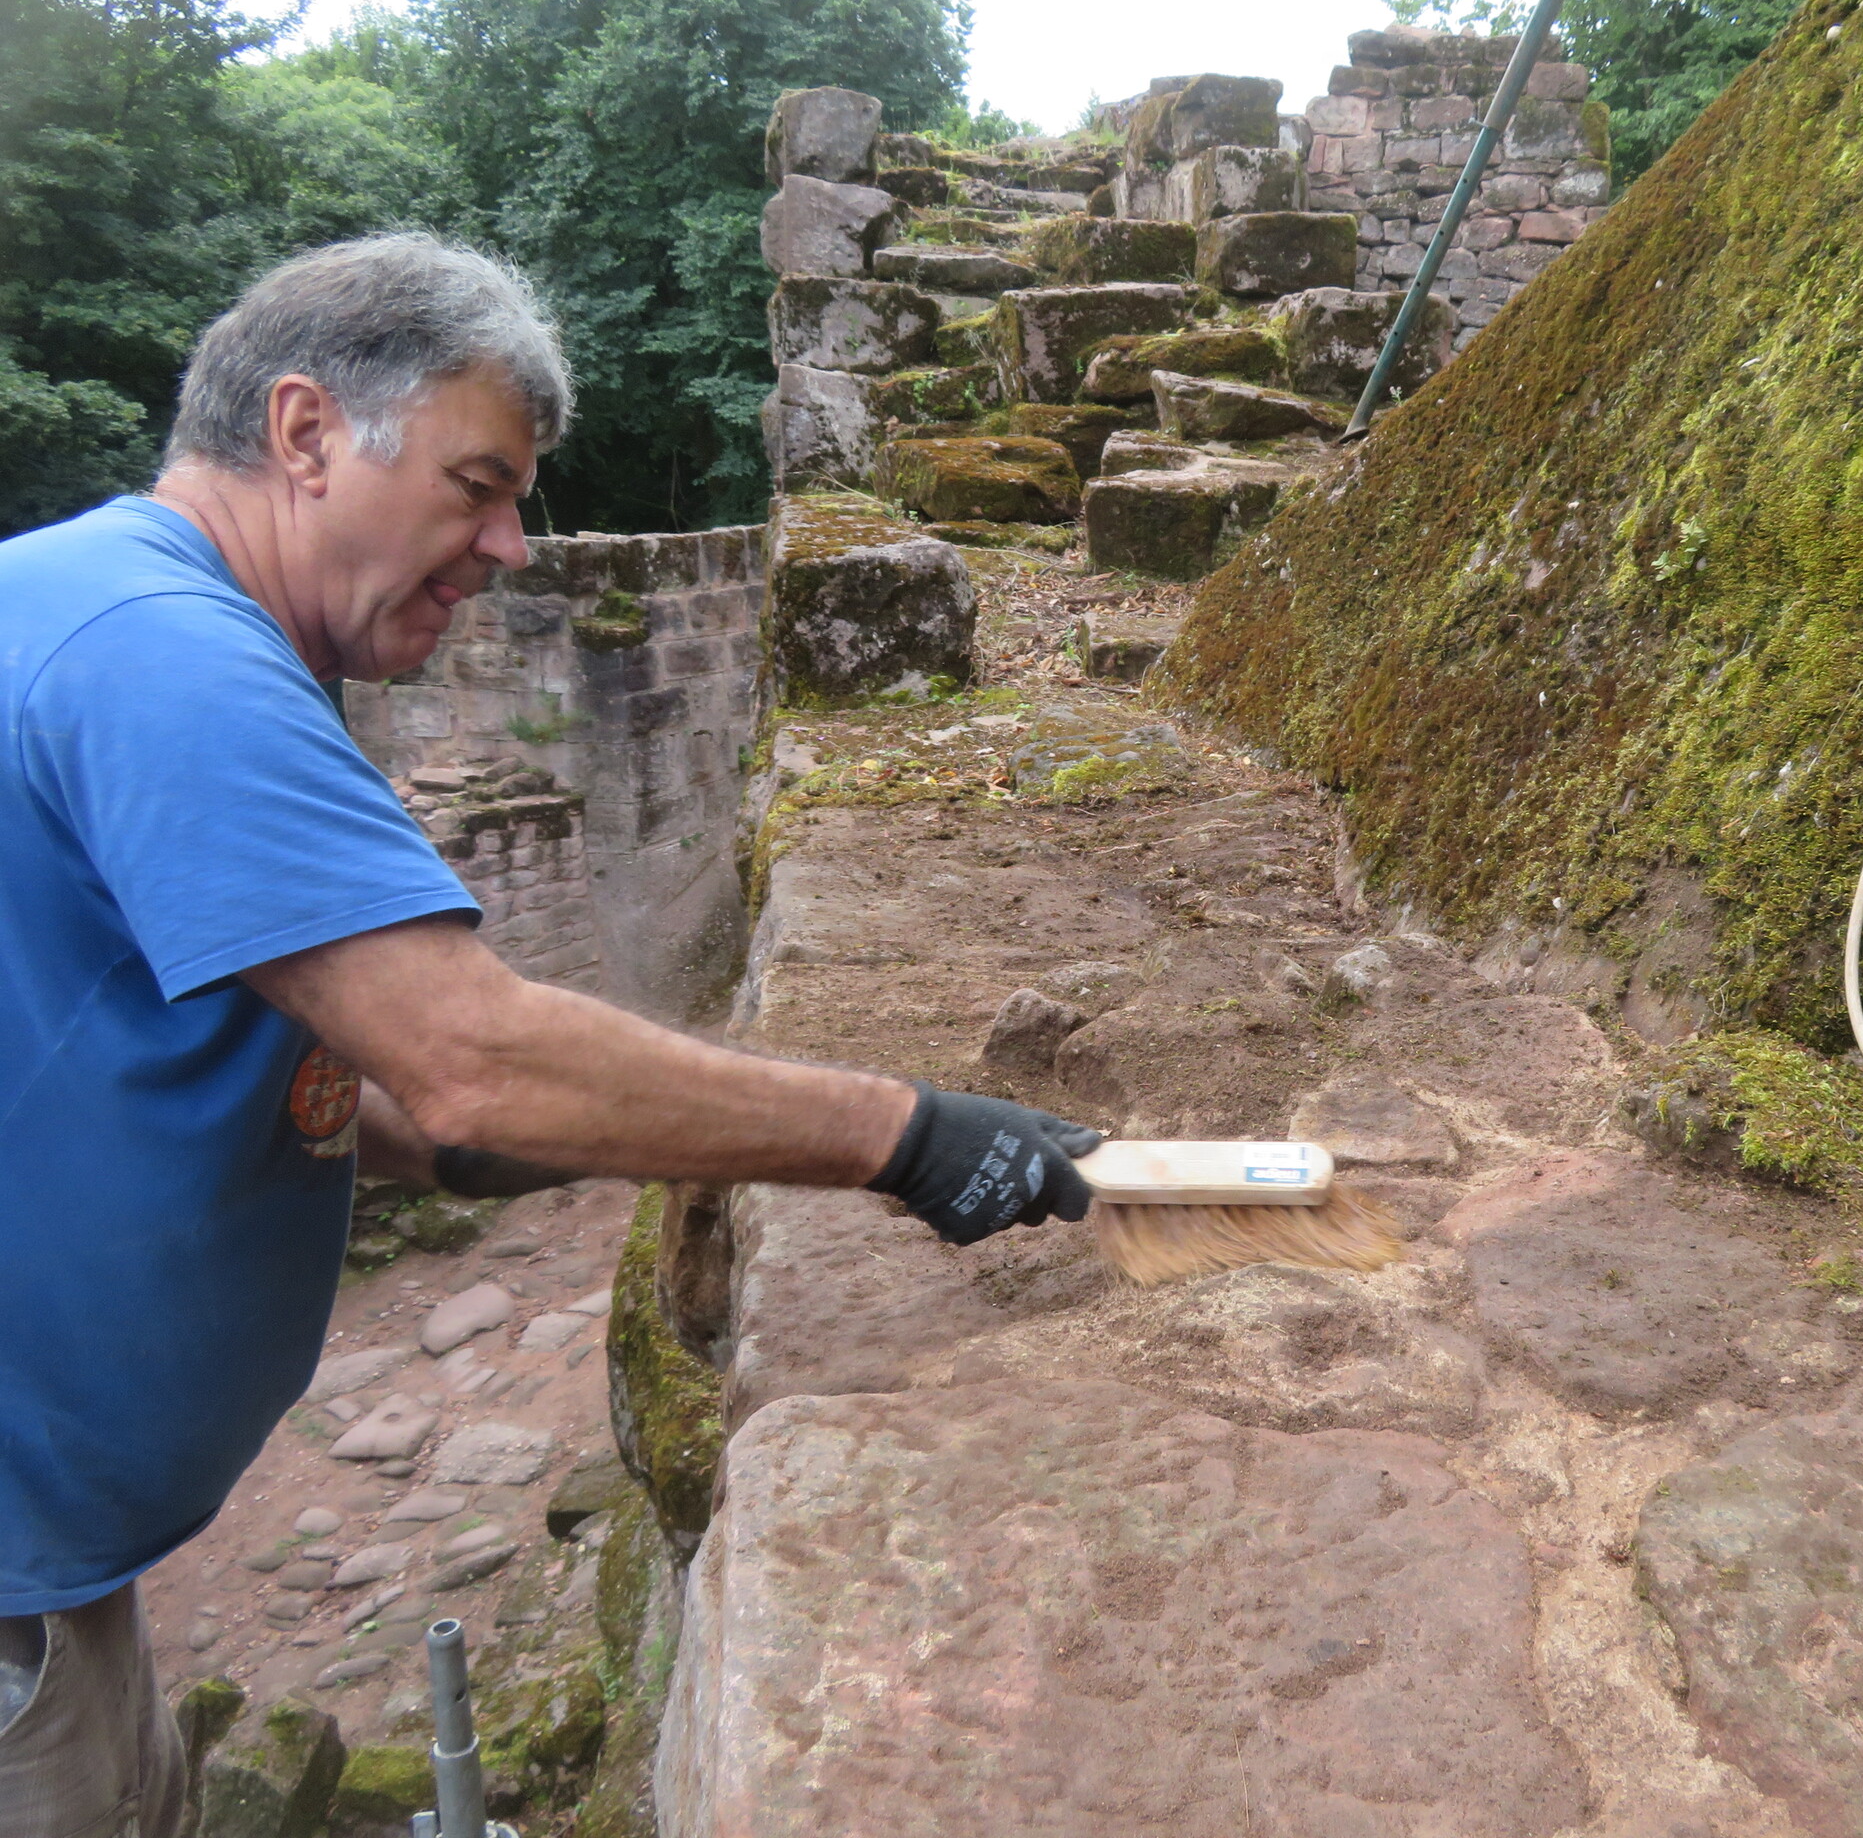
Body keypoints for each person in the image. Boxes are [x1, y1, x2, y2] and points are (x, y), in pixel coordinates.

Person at [0, 233, 1099, 1834]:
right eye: (478, 486)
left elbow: (346, 1085)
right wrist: (906, 1135)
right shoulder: (163, 657)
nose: (511, 547)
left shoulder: (95, 605)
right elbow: (471, 1056)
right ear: (304, 433)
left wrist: (514, 1139)